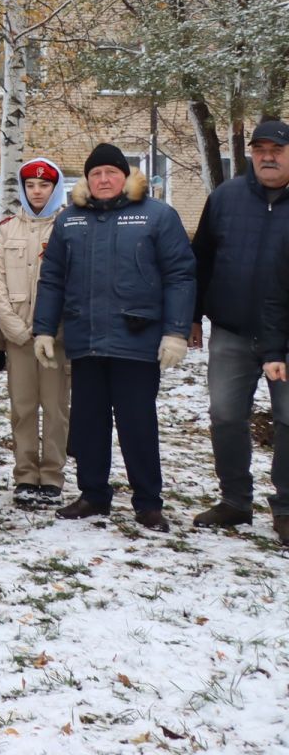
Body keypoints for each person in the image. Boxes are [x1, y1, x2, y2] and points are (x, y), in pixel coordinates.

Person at [34, 143, 196, 532]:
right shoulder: (69, 220)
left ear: (125, 177)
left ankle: (148, 502)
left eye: (111, 172)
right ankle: (93, 494)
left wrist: (175, 332)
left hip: (136, 340)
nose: (103, 179)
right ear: (86, 181)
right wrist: (43, 327)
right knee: (88, 423)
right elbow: (52, 277)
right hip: (85, 338)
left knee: (137, 422)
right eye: (95, 174)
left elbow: (180, 275)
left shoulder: (157, 216)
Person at [196, 122, 289, 542]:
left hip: (285, 340)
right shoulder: (226, 197)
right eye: (260, 149)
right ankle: (235, 500)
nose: (268, 156)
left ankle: (286, 508)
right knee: (226, 416)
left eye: (278, 149)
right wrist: (192, 317)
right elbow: (200, 261)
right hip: (231, 331)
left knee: (288, 421)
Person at [0, 159, 70, 508]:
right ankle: (25, 474)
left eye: (44, 186)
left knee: (55, 409)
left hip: (56, 337)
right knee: (22, 408)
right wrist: (13, 326)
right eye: (30, 186)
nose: (36, 192)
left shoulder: (69, 225)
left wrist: (55, 328)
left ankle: (52, 474)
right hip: (19, 335)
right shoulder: (7, 229)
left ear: (55, 189)